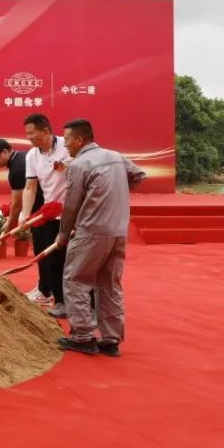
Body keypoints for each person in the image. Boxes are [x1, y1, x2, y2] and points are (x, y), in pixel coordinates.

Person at [56, 119, 146, 356]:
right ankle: (111, 339)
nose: (65, 145)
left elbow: (71, 205)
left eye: (67, 140)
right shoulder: (116, 156)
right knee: (109, 284)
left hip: (91, 231)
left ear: (79, 140)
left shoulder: (79, 165)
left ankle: (83, 336)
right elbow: (139, 175)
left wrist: (63, 233)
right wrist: (115, 194)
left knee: (75, 280)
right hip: (118, 230)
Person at [21, 113, 73, 318]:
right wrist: (25, 215)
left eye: (31, 133)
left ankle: (88, 305)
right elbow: (30, 187)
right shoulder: (31, 156)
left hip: (75, 213)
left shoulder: (68, 148)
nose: (28, 138)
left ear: (45, 131)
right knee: (54, 261)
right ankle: (60, 302)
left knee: (77, 261)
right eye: (26, 134)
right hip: (51, 215)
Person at [0, 138, 46, 300]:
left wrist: (9, 227)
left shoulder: (17, 169)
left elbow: (17, 204)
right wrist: (10, 222)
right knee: (44, 252)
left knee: (42, 252)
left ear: (5, 152)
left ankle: (45, 290)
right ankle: (48, 288)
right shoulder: (22, 157)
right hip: (41, 211)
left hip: (40, 214)